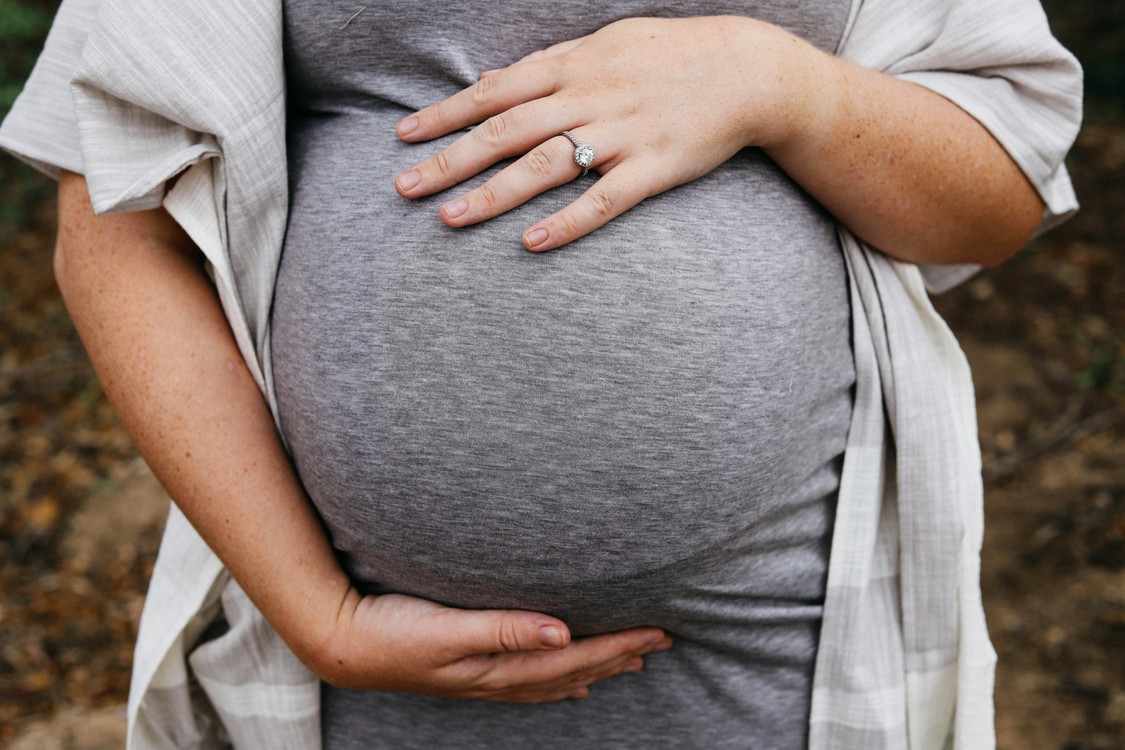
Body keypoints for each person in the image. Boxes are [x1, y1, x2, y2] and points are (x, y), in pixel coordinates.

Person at [0, 0, 1081, 747]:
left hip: (778, 650)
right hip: (350, 658)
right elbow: (114, 220)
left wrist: (782, 86)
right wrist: (317, 614)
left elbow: (996, 197)